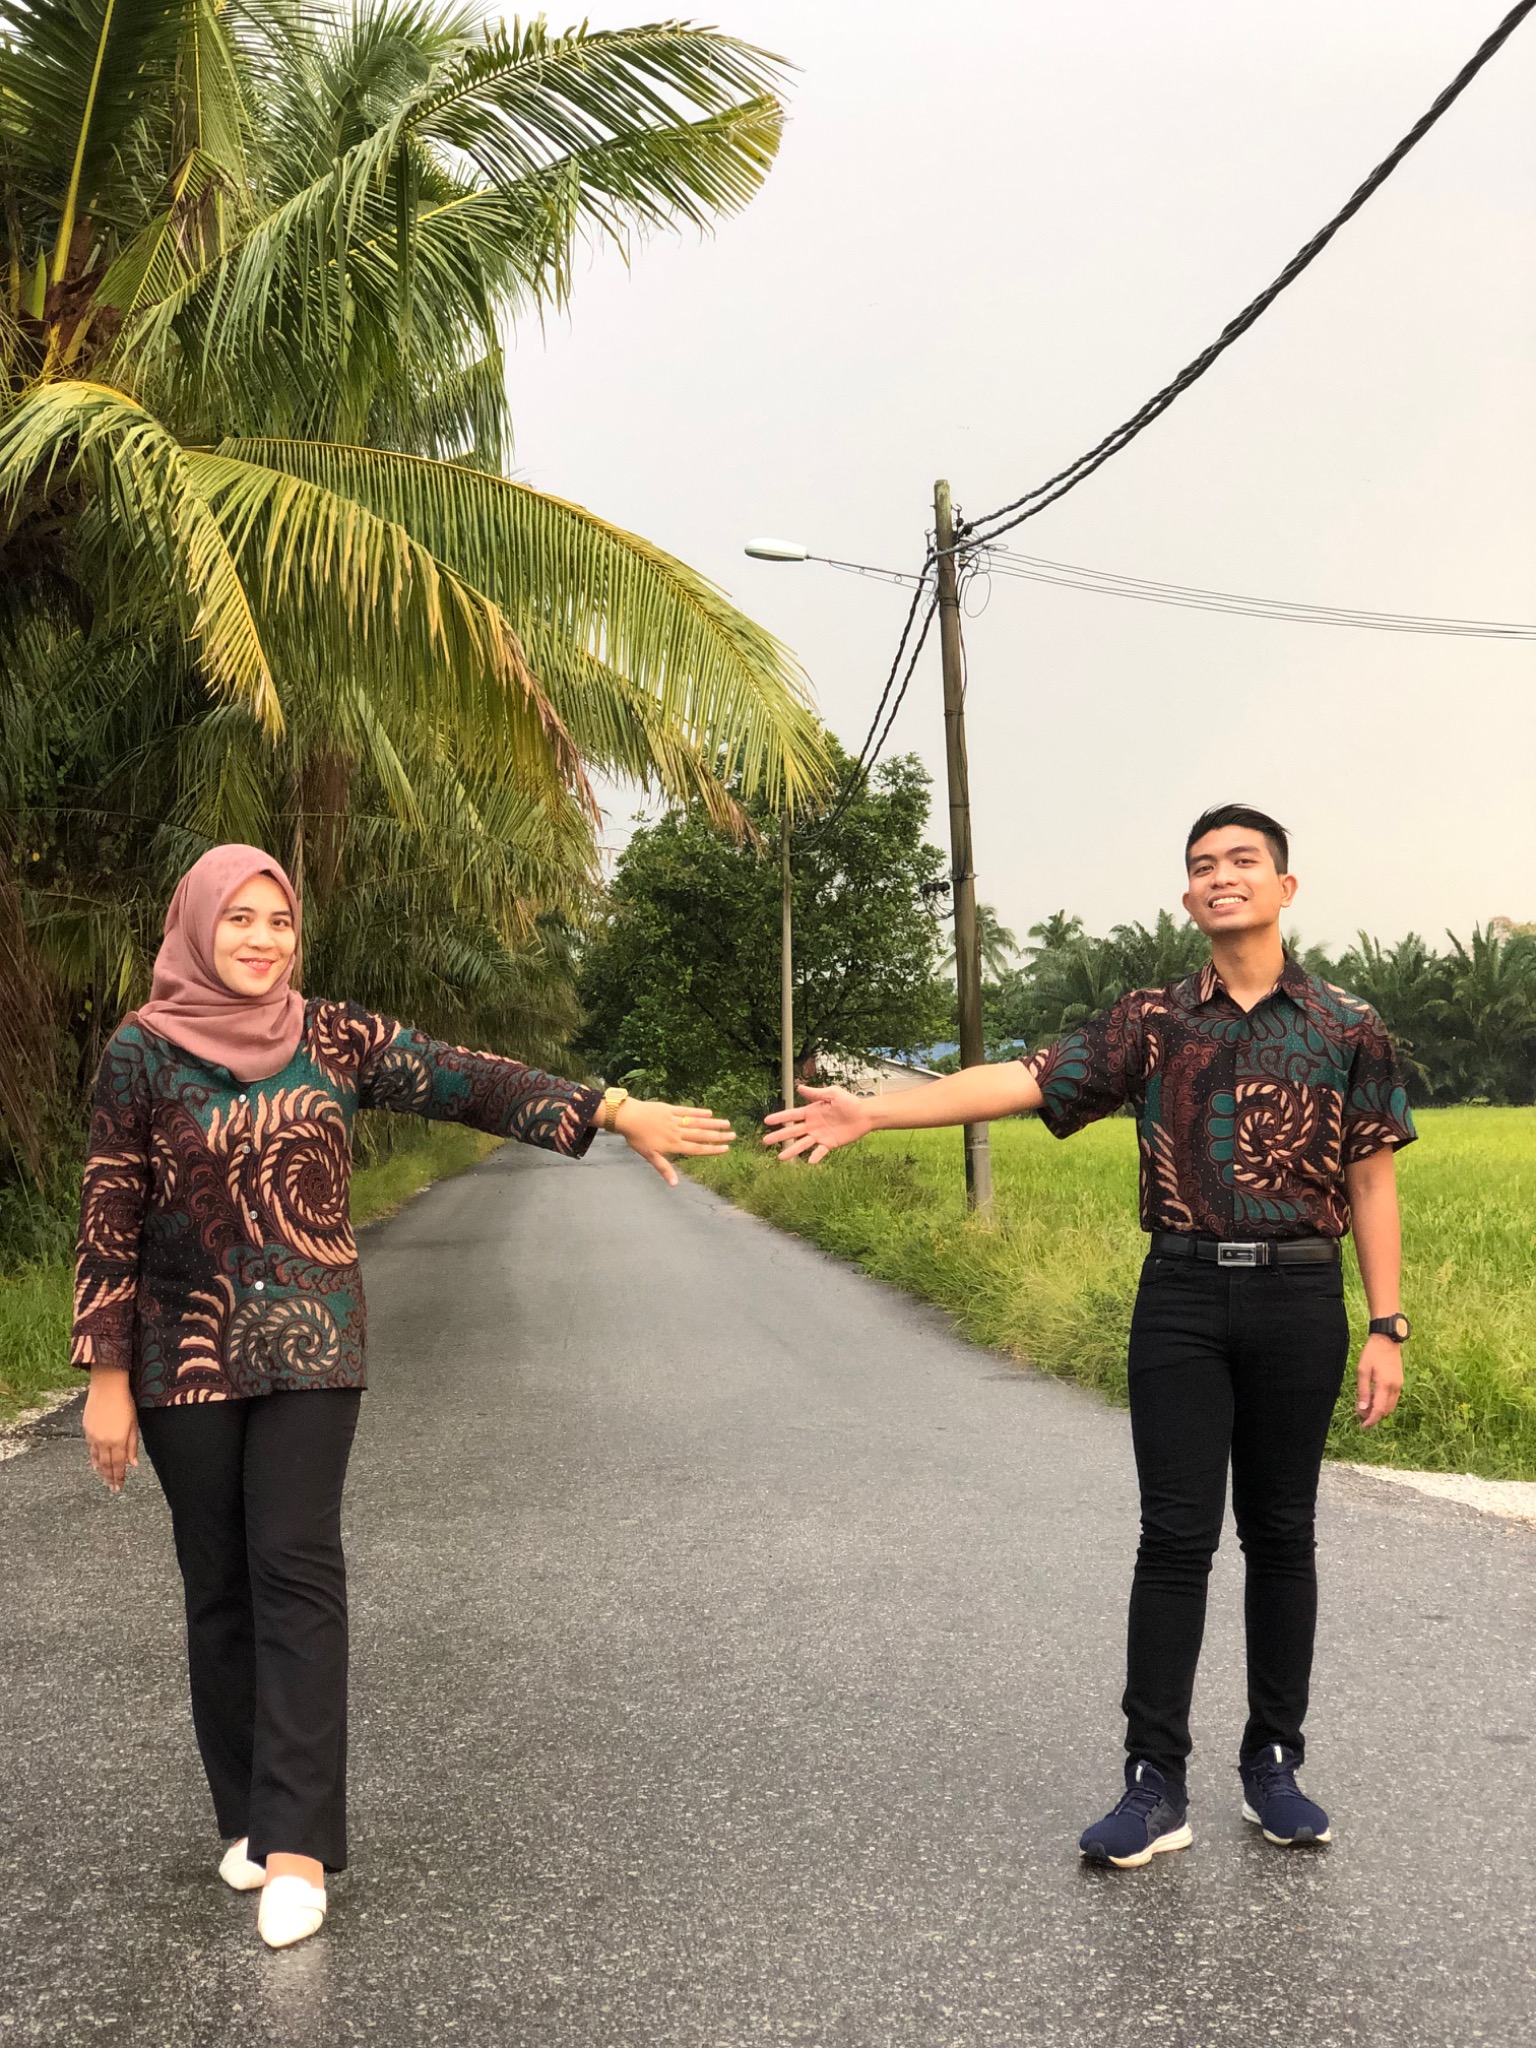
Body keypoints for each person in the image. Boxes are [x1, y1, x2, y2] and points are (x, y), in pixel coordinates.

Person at [75, 844, 733, 1947]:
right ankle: (248, 1814)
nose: (262, 939)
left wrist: (612, 1110)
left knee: (295, 1564)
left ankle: (298, 1846)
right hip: (181, 1354)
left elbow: (467, 1078)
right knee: (218, 1584)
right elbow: (111, 1210)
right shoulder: (141, 1051)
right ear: (196, 924)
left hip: (313, 1343)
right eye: (239, 919)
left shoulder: (332, 1034)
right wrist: (106, 1378)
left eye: (280, 921)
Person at [764, 805, 1414, 1868]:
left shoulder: (1349, 1024)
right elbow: (1023, 1079)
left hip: (1302, 1298)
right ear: (1188, 897)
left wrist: (1388, 1322)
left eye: (1242, 860)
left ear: (1284, 887)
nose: (1221, 876)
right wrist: (876, 1109)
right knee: (1174, 1536)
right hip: (1182, 1296)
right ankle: (1154, 1780)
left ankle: (1274, 1762)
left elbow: (1372, 1175)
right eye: (1202, 865)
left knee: (1282, 1533)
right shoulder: (1152, 1021)